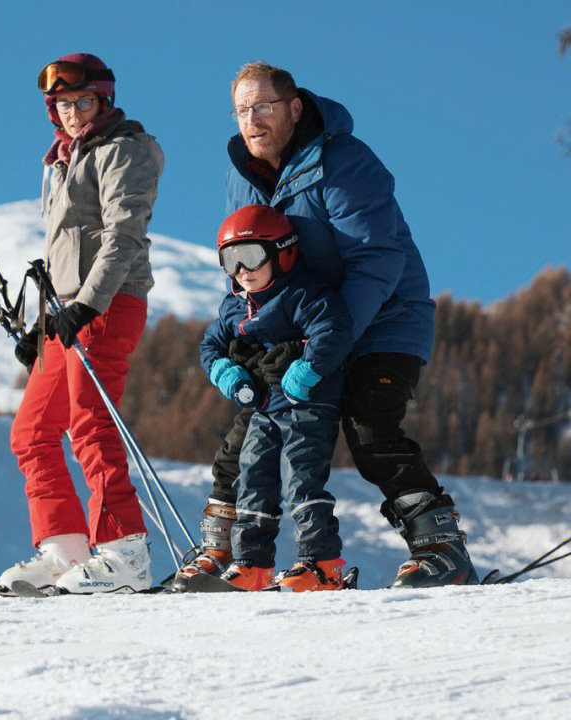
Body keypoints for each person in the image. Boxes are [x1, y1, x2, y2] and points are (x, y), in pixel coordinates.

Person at [177, 61, 477, 589]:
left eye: (263, 106)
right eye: (242, 110)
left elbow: (377, 258)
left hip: (382, 318)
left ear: (294, 108)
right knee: (252, 424)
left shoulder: (343, 162)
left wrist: (326, 345)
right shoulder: (240, 175)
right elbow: (241, 266)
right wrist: (246, 341)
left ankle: (440, 546)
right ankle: (222, 553)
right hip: (294, 328)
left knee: (369, 423)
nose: (252, 119)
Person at [0, 53, 164, 594]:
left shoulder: (123, 152)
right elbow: (66, 250)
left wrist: (89, 305)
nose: (72, 113)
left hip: (109, 304)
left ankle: (124, 551)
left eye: (83, 102)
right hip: (68, 312)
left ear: (104, 101)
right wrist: (41, 326)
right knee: (32, 433)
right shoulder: (62, 161)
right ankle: (65, 551)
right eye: (63, 105)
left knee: (91, 422)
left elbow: (123, 236)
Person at [195, 204, 354, 591]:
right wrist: (227, 374)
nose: (241, 270)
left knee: (300, 477)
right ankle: (252, 564)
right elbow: (209, 347)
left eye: (249, 256)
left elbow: (332, 329)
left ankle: (322, 565)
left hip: (306, 404)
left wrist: (307, 369)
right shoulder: (234, 305)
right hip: (264, 409)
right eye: (230, 260)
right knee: (251, 477)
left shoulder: (299, 292)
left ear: (282, 252)